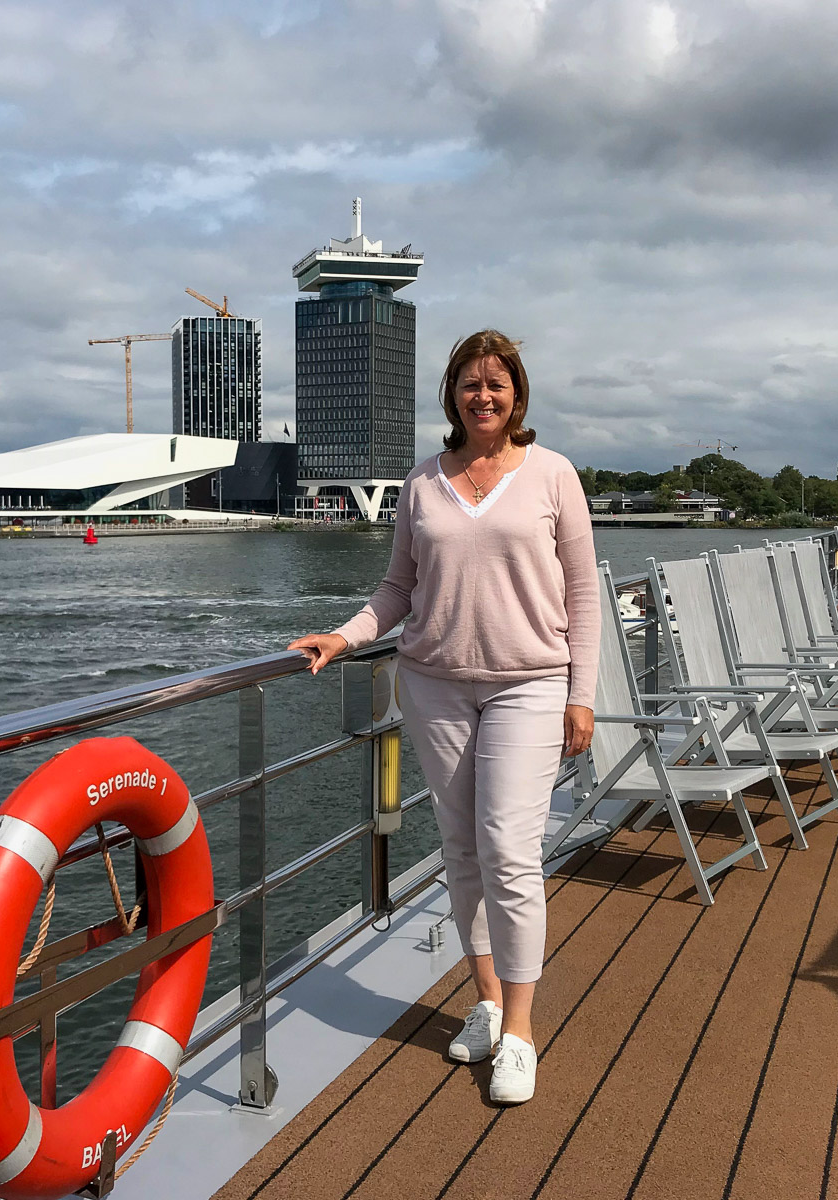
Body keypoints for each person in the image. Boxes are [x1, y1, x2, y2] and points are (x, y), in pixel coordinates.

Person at [288, 329, 599, 1106]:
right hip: (434, 685)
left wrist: (582, 693)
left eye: (495, 383)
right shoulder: (423, 481)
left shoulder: (554, 475)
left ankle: (521, 1031)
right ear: (451, 395)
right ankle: (487, 1001)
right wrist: (344, 635)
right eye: (469, 383)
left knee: (509, 851)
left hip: (529, 684)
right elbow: (398, 587)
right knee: (461, 849)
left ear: (516, 394)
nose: (482, 395)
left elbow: (584, 594)